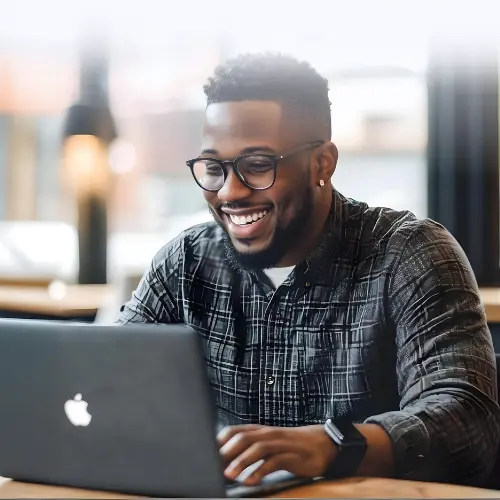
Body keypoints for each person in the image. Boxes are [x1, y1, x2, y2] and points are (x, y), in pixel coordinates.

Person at [117, 53, 500, 487]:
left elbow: (468, 424)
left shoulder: (408, 253)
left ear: (322, 163)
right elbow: (102, 385)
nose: (230, 191)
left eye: (257, 165)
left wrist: (331, 447)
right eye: (213, 167)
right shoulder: (185, 263)